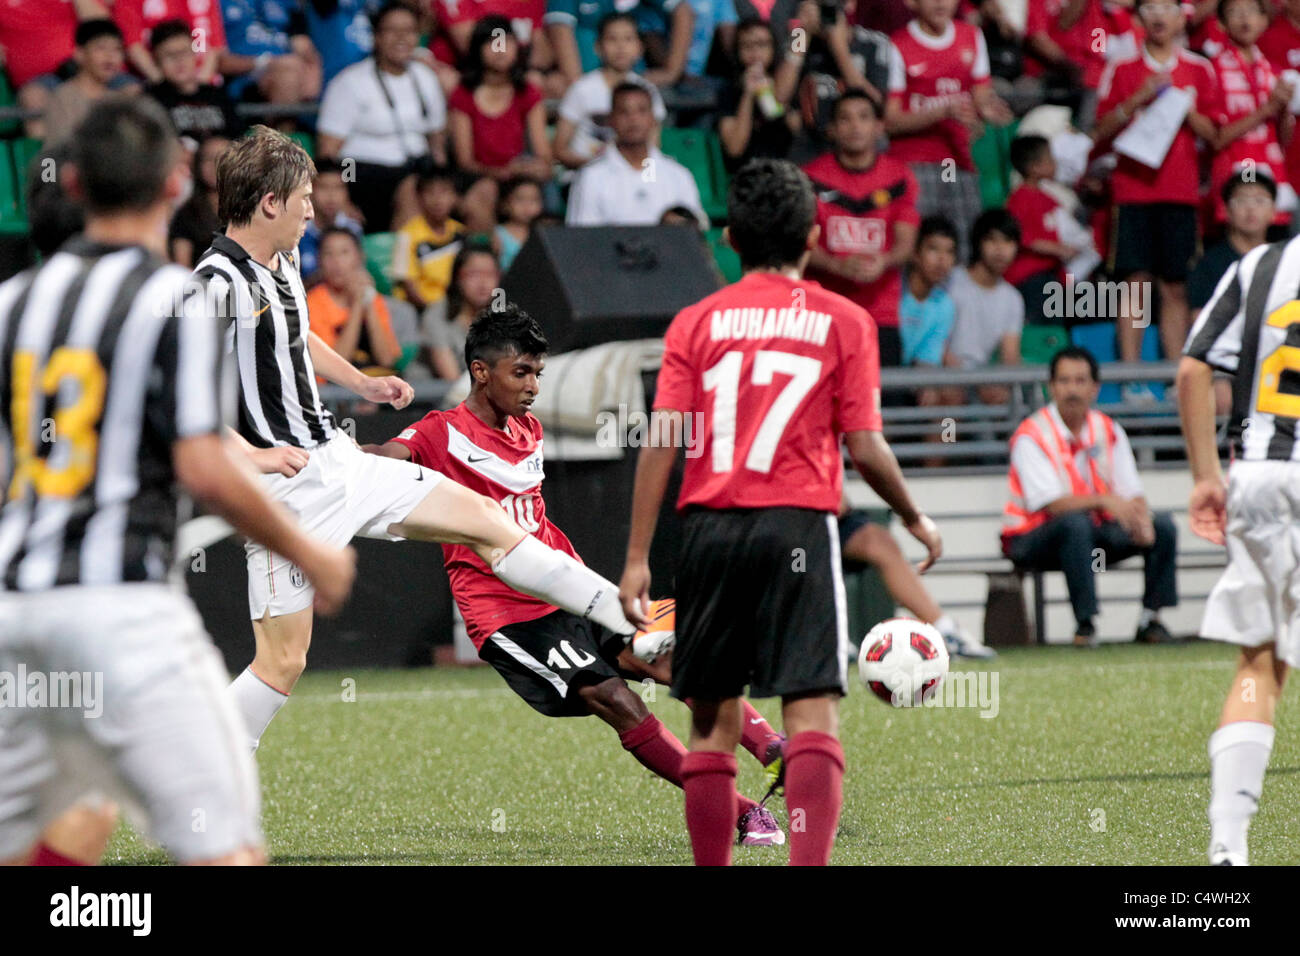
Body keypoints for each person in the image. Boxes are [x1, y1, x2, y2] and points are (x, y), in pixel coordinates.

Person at [193, 127, 648, 752]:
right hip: (283, 495)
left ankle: (628, 616)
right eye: (302, 197)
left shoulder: (284, 259)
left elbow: (296, 338)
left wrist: (363, 381)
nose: (312, 208)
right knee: (282, 663)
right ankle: (198, 769)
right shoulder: (214, 282)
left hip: (338, 463)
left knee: (487, 518)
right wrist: (255, 453)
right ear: (269, 203)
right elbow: (173, 395)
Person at [0, 96, 354, 867]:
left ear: (81, 186)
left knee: (62, 828)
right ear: (172, 186)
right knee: (225, 849)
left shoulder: (13, 306)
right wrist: (312, 553)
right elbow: (203, 465)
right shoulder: (172, 299)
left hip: (18, 611)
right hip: (122, 611)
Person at [617, 158, 943, 866]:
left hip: (707, 530)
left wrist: (639, 555)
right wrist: (913, 516)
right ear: (814, 232)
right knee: (812, 713)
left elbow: (662, 442)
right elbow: (865, 444)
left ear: (730, 237)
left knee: (711, 722)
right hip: (797, 525)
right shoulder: (846, 320)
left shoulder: (695, 322)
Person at [366, 305, 787, 846]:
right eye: (521, 372)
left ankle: (778, 752)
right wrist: (347, 460)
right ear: (480, 371)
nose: (533, 385)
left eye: (538, 373)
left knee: (668, 657)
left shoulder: (529, 429)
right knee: (616, 699)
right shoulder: (440, 431)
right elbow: (388, 455)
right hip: (509, 616)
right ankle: (739, 811)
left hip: (568, 587)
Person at [1178, 229, 1300, 867]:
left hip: (1259, 478)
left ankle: (1229, 847)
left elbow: (1194, 366)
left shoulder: (1262, 265)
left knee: (1259, 664)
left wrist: (1205, 477)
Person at [1001, 346, 1179, 648]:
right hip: (1029, 538)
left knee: (1162, 526)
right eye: (1065, 381)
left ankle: (1151, 619)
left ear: (1095, 388)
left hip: (1088, 533)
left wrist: (1140, 518)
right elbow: (1050, 504)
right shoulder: (1032, 434)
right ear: (1051, 387)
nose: (1072, 389)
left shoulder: (1108, 429)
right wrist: (1104, 501)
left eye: (1080, 381)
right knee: (1074, 525)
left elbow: (1132, 491)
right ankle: (1086, 625)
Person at [1092, 0, 1218, 393]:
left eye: (1168, 7)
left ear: (1183, 17)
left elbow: (1214, 133)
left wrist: (1184, 107)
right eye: (1151, 8)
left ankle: (1177, 380)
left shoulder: (1199, 68)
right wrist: (1139, 98)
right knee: (1135, 283)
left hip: (1180, 194)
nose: (1159, 16)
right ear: (1140, 17)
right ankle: (1132, 380)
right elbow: (1098, 130)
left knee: (1175, 286)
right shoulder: (1123, 67)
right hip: (1132, 191)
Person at [884, 0, 1013, 264]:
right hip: (914, 163)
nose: (941, 2)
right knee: (915, 250)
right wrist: (943, 112)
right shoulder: (897, 44)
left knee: (963, 248)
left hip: (957, 162)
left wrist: (988, 110)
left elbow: (980, 97)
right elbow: (891, 121)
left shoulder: (972, 37)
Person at [804, 89, 919, 369]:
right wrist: (836, 265)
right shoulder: (809, 178)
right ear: (831, 129)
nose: (855, 126)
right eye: (845, 119)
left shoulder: (900, 177)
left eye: (864, 118)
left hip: (881, 316)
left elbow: (906, 243)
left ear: (879, 126)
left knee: (883, 406)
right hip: (823, 315)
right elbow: (798, 241)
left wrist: (885, 260)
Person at [317, 0, 448, 232]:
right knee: (410, 187)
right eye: (392, 31)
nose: (401, 38)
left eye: (408, 31)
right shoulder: (350, 82)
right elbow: (329, 152)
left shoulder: (426, 78)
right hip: (358, 169)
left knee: (427, 186)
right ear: (376, 37)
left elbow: (436, 145)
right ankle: (405, 262)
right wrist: (343, 197)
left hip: (414, 166)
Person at [837, 497, 994, 659]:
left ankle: (944, 630)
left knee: (879, 542)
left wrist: (912, 515)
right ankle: (827, 637)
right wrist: (913, 516)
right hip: (812, 523)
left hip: (831, 516)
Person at [448, 15, 552, 234]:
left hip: (519, 175)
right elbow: (465, 161)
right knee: (485, 192)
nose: (500, 49)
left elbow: (543, 153)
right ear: (478, 49)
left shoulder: (528, 92)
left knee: (542, 180)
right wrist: (501, 172)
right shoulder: (463, 94)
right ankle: (486, 260)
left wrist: (530, 167)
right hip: (479, 177)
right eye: (492, 43)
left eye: (506, 42)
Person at [1206, 0, 1294, 230]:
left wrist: (1283, 109)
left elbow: (1284, 139)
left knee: (1275, 252)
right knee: (1239, 247)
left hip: (1272, 173)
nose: (1245, 18)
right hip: (1238, 169)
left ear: (1264, 21)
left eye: (1251, 12)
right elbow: (1217, 137)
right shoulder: (1211, 69)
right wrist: (1267, 109)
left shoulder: (1274, 72)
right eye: (1235, 13)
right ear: (1222, 24)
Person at [566, 82, 705, 226]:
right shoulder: (591, 178)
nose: (633, 119)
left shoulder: (679, 176)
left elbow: (693, 236)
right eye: (624, 112)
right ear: (611, 119)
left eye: (641, 111)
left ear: (653, 119)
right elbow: (581, 240)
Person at [553, 12, 669, 171]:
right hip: (584, 176)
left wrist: (644, 181)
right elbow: (560, 148)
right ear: (597, 47)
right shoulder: (582, 89)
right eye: (612, 39)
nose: (620, 47)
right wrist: (598, 168)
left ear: (640, 48)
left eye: (628, 39)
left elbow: (653, 146)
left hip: (633, 178)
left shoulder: (647, 91)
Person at [943, 208, 1024, 406]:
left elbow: (1010, 357)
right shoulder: (950, 282)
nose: (1000, 249)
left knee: (1008, 400)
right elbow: (936, 344)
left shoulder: (1013, 299)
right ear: (978, 242)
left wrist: (998, 386)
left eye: (1008, 241)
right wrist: (974, 381)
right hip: (943, 375)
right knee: (951, 397)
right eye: (992, 240)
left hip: (982, 382)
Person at [305, 227, 403, 371]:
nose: (336, 262)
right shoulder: (312, 304)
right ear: (319, 260)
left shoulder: (373, 299)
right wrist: (357, 306)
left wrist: (368, 302)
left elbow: (387, 359)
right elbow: (334, 367)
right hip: (332, 390)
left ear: (359, 257)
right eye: (328, 254)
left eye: (344, 253)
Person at [1005, 134, 1078, 324]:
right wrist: (1057, 249)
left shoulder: (1050, 199)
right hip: (1031, 278)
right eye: (1050, 160)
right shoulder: (1019, 198)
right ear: (1034, 167)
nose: (1055, 164)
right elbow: (1020, 236)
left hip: (1054, 275)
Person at [545, 0, 694, 89]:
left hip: (635, 85)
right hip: (586, 85)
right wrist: (579, 86)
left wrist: (672, 72)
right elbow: (560, 30)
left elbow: (683, 11)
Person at [717, 18, 798, 173]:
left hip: (784, 170)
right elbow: (734, 148)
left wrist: (776, 99)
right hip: (746, 174)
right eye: (746, 46)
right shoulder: (729, 90)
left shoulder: (785, 82)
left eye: (762, 44)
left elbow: (797, 131)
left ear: (773, 47)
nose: (755, 53)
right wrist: (748, 95)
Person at [43, 19, 140, 146]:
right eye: (101, 48)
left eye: (117, 49)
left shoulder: (117, 100)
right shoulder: (64, 97)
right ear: (79, 54)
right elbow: (59, 150)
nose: (110, 56)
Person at [145, 18, 242, 143]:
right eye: (170, 55)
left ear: (194, 54)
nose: (179, 60)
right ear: (157, 61)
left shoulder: (218, 96)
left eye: (184, 52)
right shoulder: (151, 101)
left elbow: (238, 138)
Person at [218, 0, 323, 105]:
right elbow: (216, 59)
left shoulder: (286, 3)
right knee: (287, 75)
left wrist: (312, 67)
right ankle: (284, 121)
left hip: (288, 67)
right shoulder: (218, 4)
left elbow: (302, 43)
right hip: (243, 75)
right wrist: (266, 62)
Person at [392, 165, 465, 312]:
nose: (437, 200)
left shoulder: (461, 233)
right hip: (419, 309)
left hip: (453, 308)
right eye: (430, 192)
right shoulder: (406, 235)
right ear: (419, 198)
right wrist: (433, 314)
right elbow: (409, 286)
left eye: (444, 192)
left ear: (455, 198)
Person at [424, 243, 501, 380]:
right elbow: (452, 380)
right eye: (474, 274)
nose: (483, 283)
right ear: (457, 278)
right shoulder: (436, 315)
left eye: (490, 274)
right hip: (437, 396)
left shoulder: (503, 316)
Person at [296, 157, 364, 279]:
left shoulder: (354, 229)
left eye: (338, 188)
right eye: (323, 187)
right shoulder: (296, 230)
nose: (331, 196)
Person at [169, 134, 231, 267]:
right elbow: (182, 267)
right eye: (208, 159)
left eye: (223, 158)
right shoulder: (186, 215)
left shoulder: (253, 210)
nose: (215, 165)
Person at [494, 176, 544, 273]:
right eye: (520, 199)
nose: (527, 205)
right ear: (505, 203)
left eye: (534, 200)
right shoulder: (498, 234)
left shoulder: (542, 233)